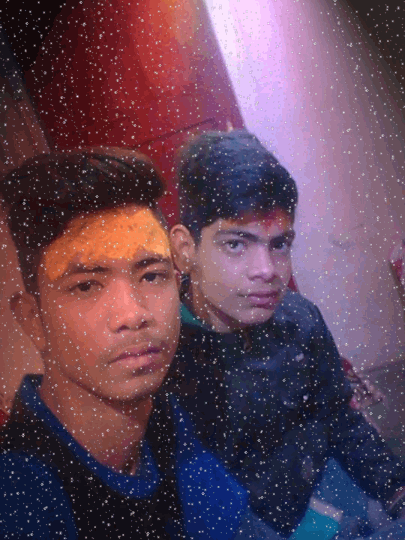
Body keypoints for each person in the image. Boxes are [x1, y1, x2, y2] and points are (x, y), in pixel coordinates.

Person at [0, 150, 281, 540]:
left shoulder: (162, 414)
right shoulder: (20, 496)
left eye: (151, 276)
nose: (133, 314)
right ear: (34, 320)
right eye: (86, 285)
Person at [167, 130, 405, 537]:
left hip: (337, 500)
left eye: (279, 245)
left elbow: (339, 420)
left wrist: (396, 489)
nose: (267, 270)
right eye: (236, 245)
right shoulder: (161, 364)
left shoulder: (299, 318)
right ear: (185, 249)